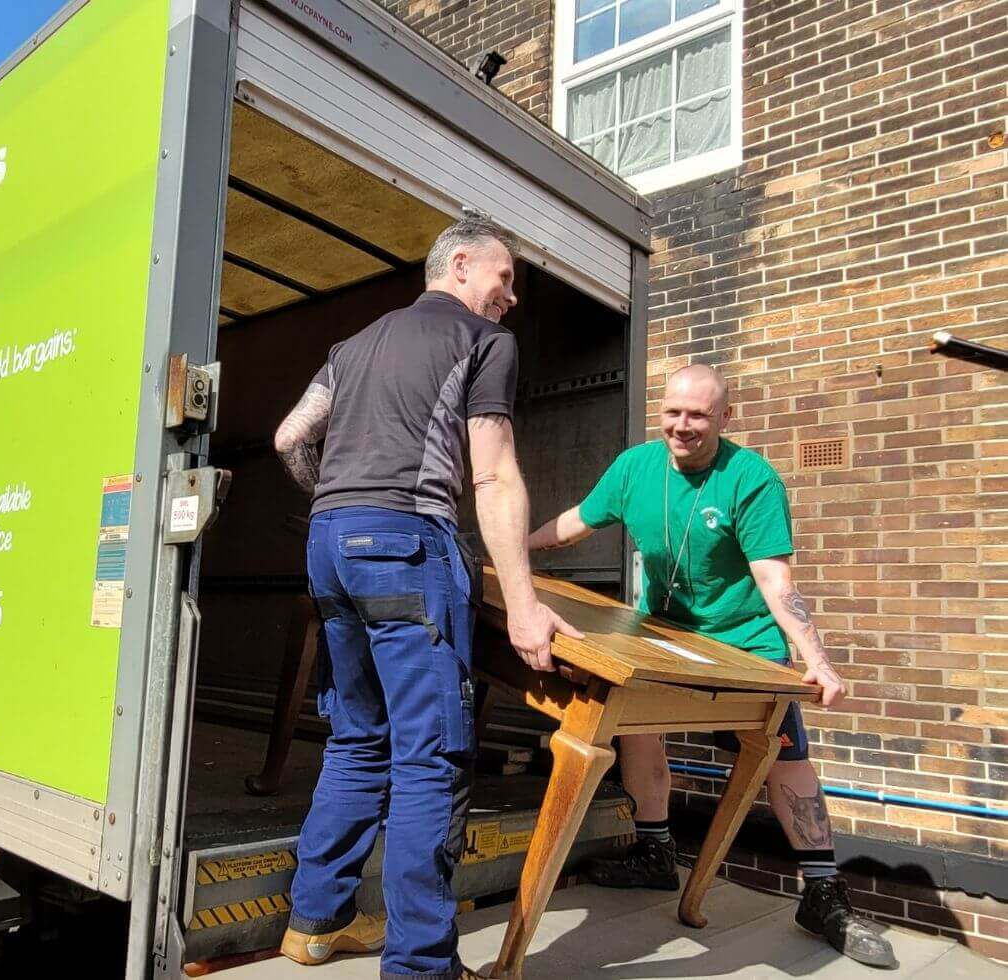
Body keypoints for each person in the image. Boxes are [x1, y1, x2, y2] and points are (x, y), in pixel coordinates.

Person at [273, 214, 582, 980]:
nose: (510, 299)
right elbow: (494, 475)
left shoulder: (352, 345)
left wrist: (341, 505)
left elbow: (289, 438)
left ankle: (315, 924)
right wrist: (521, 606)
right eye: (504, 281)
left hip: (330, 545)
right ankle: (421, 968)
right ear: (463, 265)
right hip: (409, 547)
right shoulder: (485, 343)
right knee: (429, 758)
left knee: (356, 738)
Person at [529, 363, 896, 969]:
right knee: (638, 734)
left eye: (698, 415)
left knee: (784, 759)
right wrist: (515, 550)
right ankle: (654, 854)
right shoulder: (634, 468)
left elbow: (776, 581)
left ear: (727, 418)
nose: (682, 425)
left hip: (744, 647)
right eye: (673, 412)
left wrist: (818, 662)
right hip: (663, 637)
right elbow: (574, 523)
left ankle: (824, 894)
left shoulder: (750, 479)